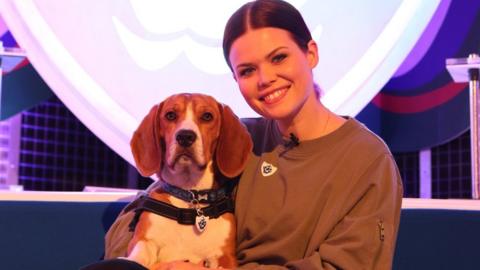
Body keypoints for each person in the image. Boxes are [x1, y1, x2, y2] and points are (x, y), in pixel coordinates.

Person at [81, 0, 403, 269]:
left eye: (279, 58)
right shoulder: (238, 140)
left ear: (311, 54)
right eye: (247, 71)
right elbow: (144, 210)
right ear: (236, 80)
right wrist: (154, 259)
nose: (265, 79)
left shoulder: (368, 160)